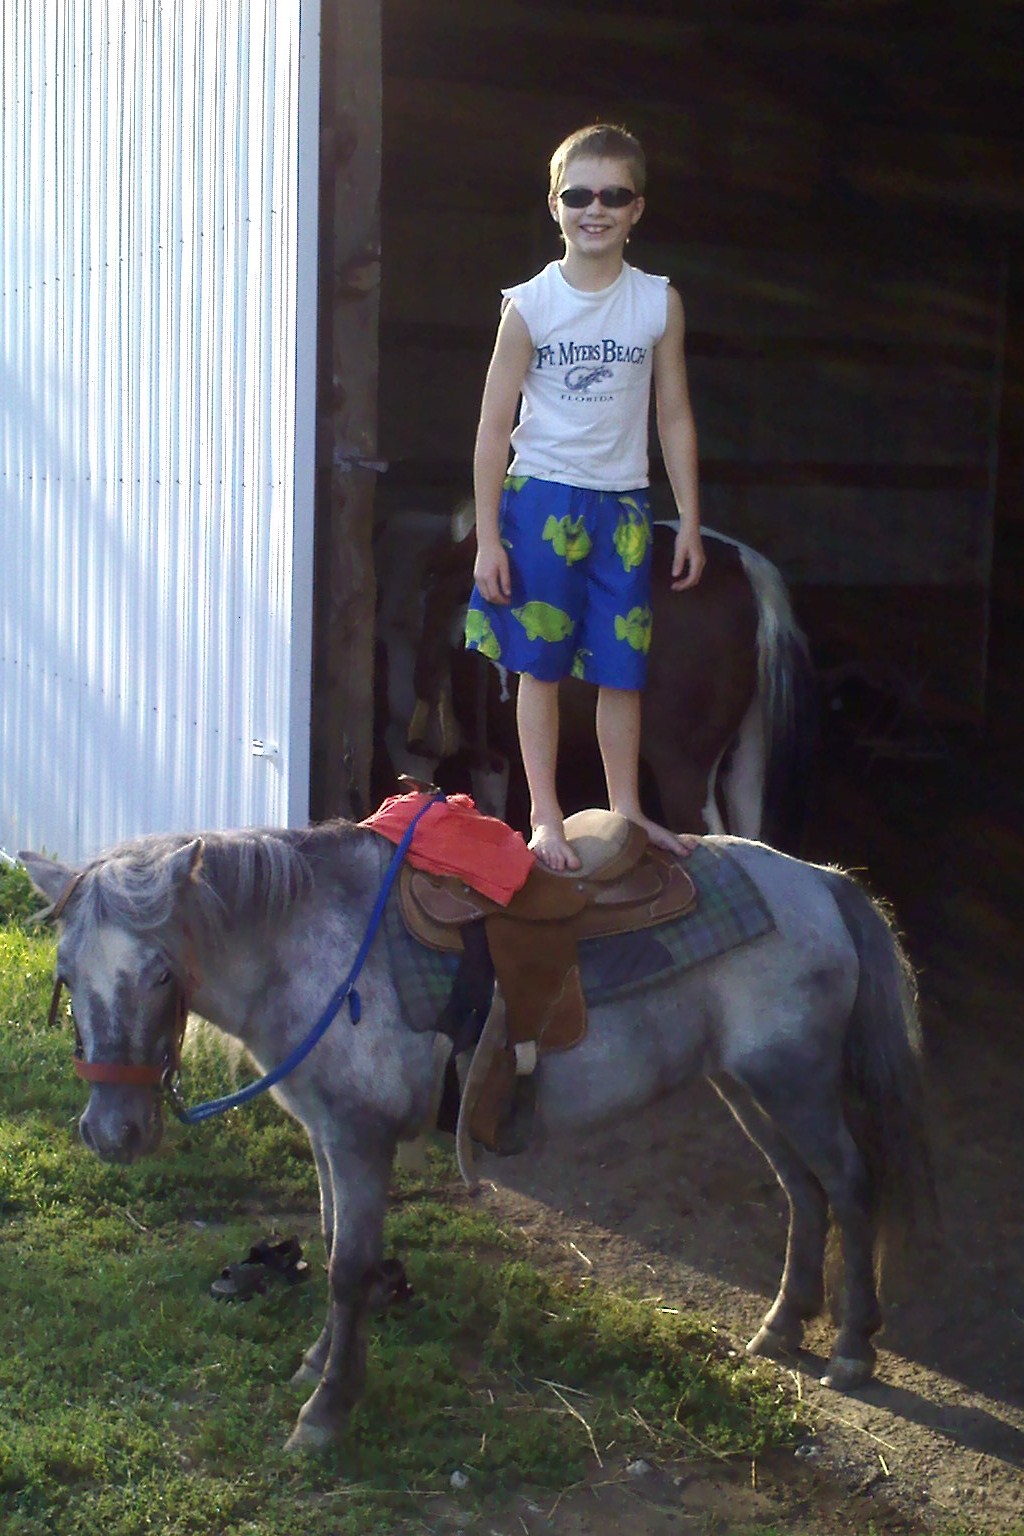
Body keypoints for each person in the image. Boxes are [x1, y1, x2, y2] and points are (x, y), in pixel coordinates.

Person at [466, 122, 704, 872]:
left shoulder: (658, 303)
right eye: (578, 195)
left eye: (612, 195)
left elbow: (673, 414)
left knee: (621, 669)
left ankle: (626, 809)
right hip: (541, 500)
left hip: (623, 505)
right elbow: (491, 428)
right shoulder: (530, 305)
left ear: (637, 208)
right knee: (540, 666)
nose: (593, 209)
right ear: (554, 203)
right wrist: (487, 539)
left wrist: (692, 520)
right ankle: (544, 815)